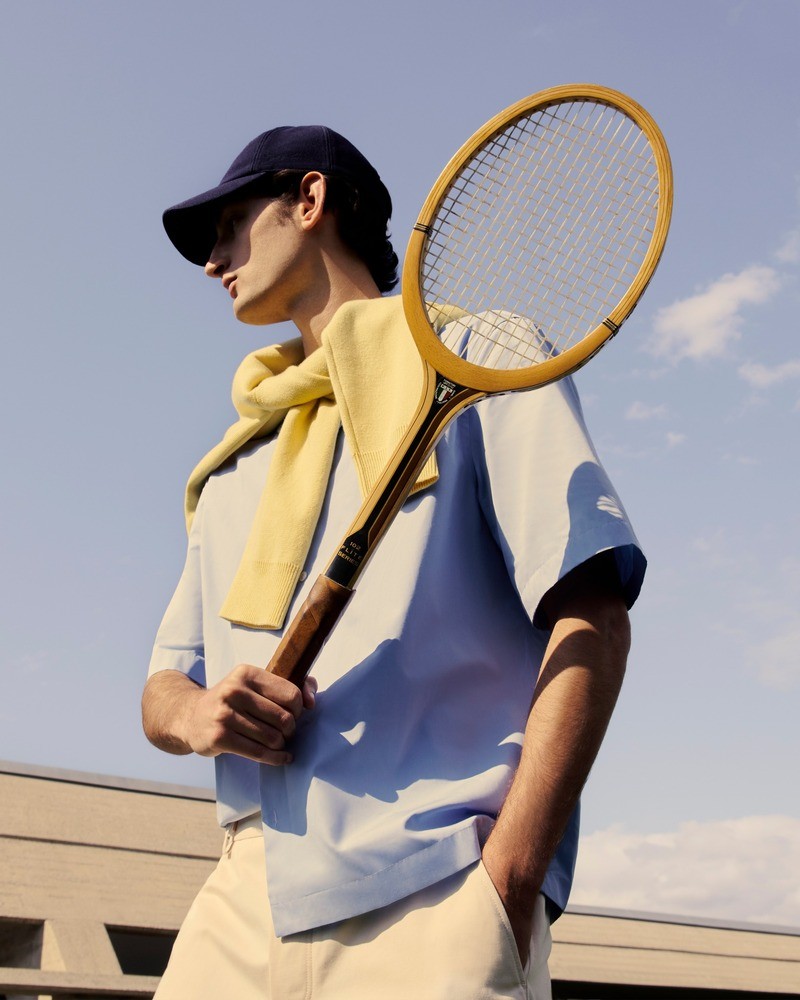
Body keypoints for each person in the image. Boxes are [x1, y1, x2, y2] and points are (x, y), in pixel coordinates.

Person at [142, 124, 645, 1000]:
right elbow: (162, 687)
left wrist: (509, 877)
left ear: (309, 201)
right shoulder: (234, 459)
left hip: (437, 879)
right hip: (240, 897)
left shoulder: (482, 356)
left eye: (229, 222)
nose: (213, 257)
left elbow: (592, 614)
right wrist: (200, 717)